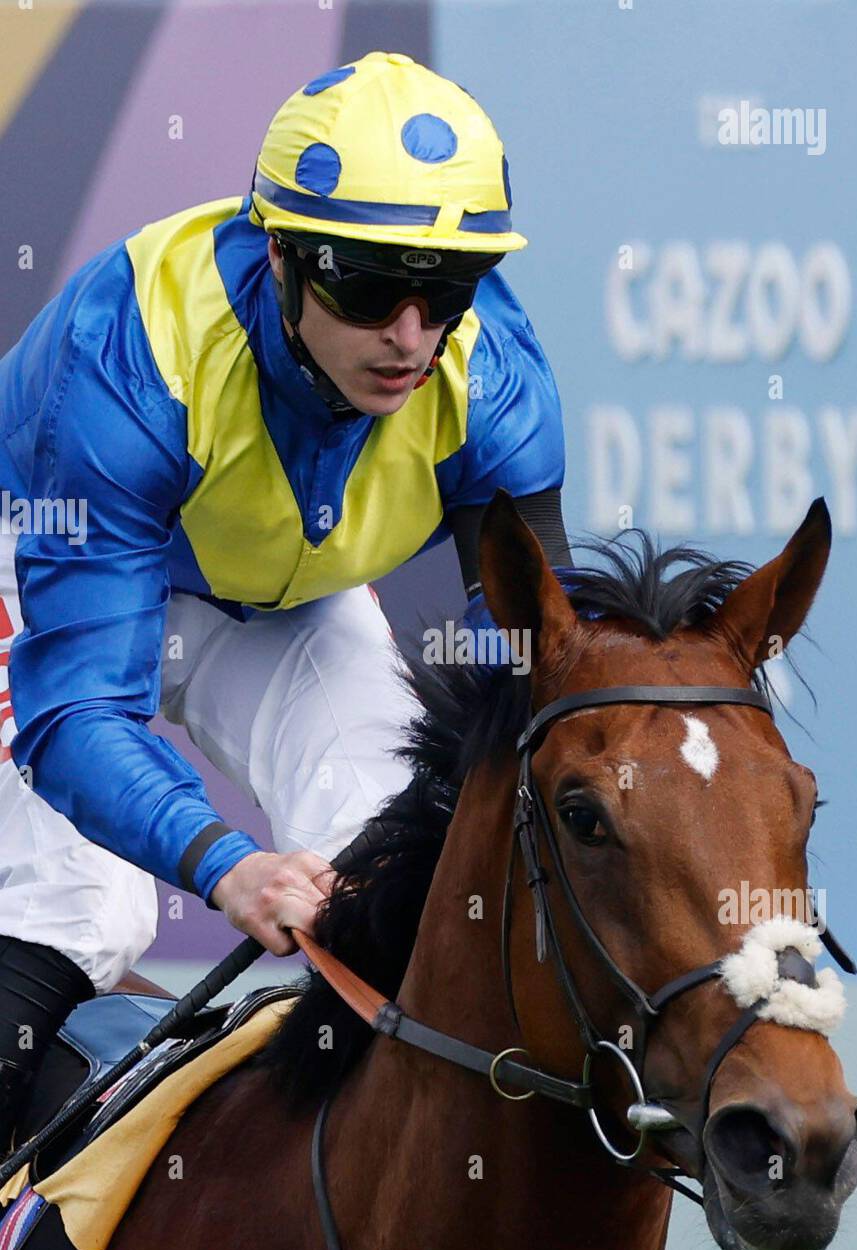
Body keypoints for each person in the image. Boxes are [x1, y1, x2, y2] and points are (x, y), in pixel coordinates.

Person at [0, 51, 570, 1153]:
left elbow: (537, 672)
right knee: (81, 908)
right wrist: (227, 864)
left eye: (444, 287)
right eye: (368, 283)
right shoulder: (128, 359)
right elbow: (79, 717)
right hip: (51, 564)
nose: (410, 333)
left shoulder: (496, 377)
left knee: (388, 874)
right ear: (281, 257)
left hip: (277, 597)